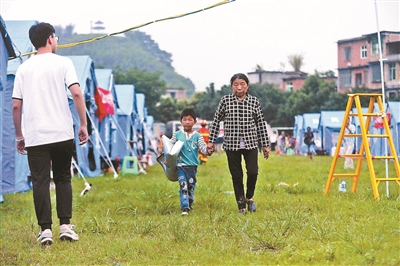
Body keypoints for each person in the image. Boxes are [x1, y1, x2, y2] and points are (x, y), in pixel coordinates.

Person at [12, 22, 88, 246]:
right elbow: (76, 93)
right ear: (50, 39)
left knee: (40, 181)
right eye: (56, 38)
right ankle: (65, 226)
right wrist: (83, 124)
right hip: (62, 132)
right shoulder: (64, 63)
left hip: (35, 135)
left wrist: (19, 136)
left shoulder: (23, 68)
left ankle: (45, 230)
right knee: (63, 177)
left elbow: (16, 106)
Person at [207, 73, 270, 215]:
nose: (239, 87)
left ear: (247, 86)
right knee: (237, 175)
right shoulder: (225, 101)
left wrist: (265, 145)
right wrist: (211, 141)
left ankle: (249, 197)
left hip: (251, 143)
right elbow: (216, 121)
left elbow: (260, 124)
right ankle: (241, 205)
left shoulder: (254, 101)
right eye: (236, 84)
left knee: (253, 172)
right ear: (231, 87)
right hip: (231, 144)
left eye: (242, 84)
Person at [170, 108, 209, 216]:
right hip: (180, 166)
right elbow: (170, 148)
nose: (187, 122)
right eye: (185, 119)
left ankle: (190, 202)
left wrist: (209, 150)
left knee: (191, 186)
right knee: (183, 186)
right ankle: (185, 207)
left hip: (192, 167)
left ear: (195, 122)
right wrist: (166, 158)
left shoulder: (198, 136)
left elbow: (203, 148)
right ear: (181, 121)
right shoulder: (176, 135)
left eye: (190, 120)